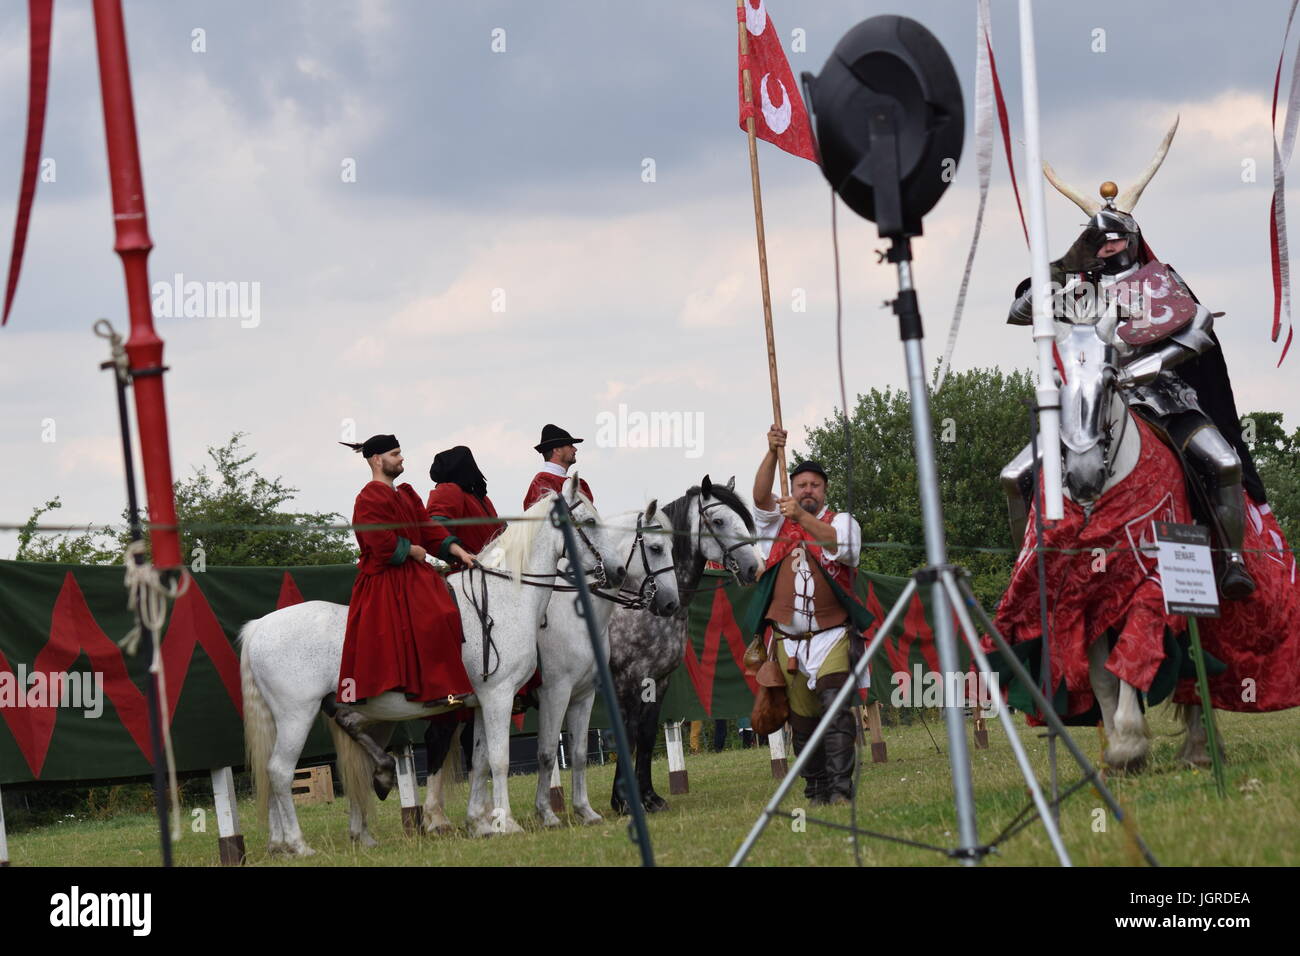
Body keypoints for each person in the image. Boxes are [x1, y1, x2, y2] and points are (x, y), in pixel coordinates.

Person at [1001, 123, 1261, 600]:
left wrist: (1153, 365)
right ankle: (1030, 567)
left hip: (1161, 397)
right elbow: (1019, 313)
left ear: (1134, 237)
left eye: (1118, 237)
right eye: (1100, 240)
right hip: (1087, 400)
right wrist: (1059, 266)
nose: (1109, 245)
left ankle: (1233, 562)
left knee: (1223, 463)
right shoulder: (1077, 288)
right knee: (1014, 476)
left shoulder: (1159, 280)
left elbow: (1199, 328)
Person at [743, 426, 871, 806]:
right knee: (801, 723)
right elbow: (759, 496)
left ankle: (840, 791)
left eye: (814, 485)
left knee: (835, 711)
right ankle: (816, 789)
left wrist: (801, 516)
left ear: (824, 490)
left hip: (833, 635)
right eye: (801, 484)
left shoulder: (842, 520)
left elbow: (838, 546)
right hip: (788, 642)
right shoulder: (776, 524)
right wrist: (770, 452)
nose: (807, 490)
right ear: (793, 488)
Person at [336, 435, 475, 710]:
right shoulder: (368, 497)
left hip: (415, 573)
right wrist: (410, 550)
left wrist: (458, 551)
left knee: (448, 611)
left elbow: (428, 528)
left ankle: (446, 688)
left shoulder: (406, 494)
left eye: (400, 453)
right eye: (395, 454)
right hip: (386, 576)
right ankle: (440, 693)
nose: (401, 458)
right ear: (377, 460)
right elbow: (377, 541)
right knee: (437, 615)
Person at [425, 445, 503, 559]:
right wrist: (460, 555)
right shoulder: (449, 490)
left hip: (498, 565)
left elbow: (499, 532)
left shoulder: (481, 497)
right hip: (470, 569)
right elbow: (435, 530)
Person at [523, 423, 593, 509]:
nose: (575, 449)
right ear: (557, 450)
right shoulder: (541, 483)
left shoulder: (577, 483)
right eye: (570, 445)